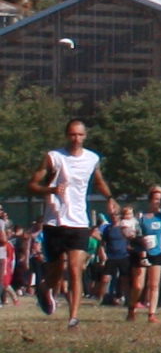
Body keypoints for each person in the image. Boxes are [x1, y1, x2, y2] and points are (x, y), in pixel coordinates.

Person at [30, 114, 97, 327]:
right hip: (55, 222)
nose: (75, 138)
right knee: (56, 274)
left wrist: (110, 198)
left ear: (85, 136)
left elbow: (99, 180)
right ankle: (44, 288)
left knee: (76, 269)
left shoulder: (92, 159)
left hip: (79, 222)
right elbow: (32, 184)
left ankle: (73, 318)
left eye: (79, 135)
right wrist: (50, 189)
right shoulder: (53, 157)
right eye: (72, 134)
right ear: (66, 135)